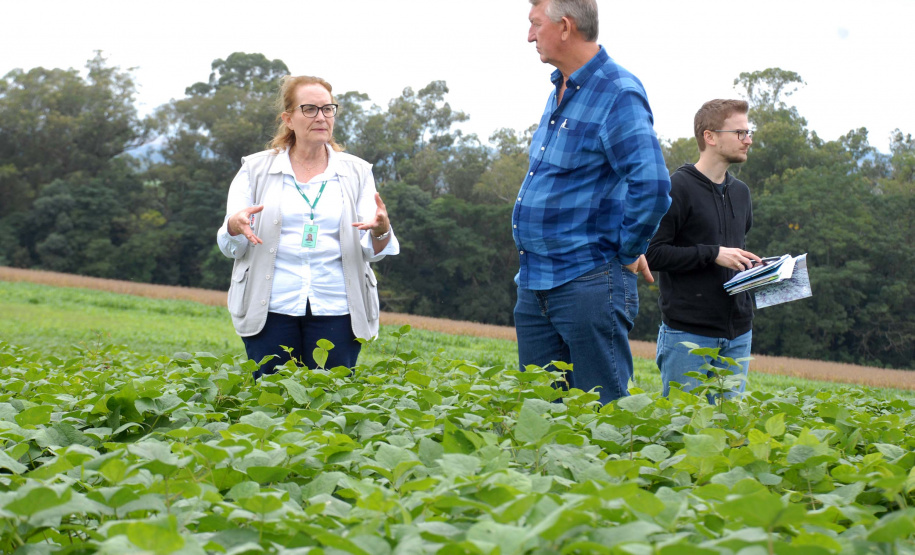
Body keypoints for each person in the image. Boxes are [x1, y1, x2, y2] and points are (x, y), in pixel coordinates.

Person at [513, 0, 672, 404]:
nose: (529, 35)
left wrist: (628, 249)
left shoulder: (617, 92)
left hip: (587, 283)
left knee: (602, 419)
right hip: (535, 283)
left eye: (535, 25)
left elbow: (652, 184)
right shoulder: (561, 88)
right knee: (539, 415)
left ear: (565, 27)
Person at [217, 75, 399, 379]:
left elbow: (372, 248)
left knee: (331, 401)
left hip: (337, 308)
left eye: (328, 109)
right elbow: (232, 244)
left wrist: (381, 229)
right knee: (270, 397)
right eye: (310, 109)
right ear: (288, 119)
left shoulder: (357, 172)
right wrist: (235, 227)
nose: (321, 117)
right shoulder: (256, 169)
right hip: (271, 305)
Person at [646, 99, 760, 400]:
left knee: (727, 432)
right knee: (682, 431)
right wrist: (712, 253)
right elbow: (653, 253)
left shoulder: (741, 193)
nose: (747, 140)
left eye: (749, 133)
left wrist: (762, 271)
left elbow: (735, 253)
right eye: (739, 133)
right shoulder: (677, 188)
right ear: (710, 136)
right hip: (688, 336)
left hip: (738, 333)